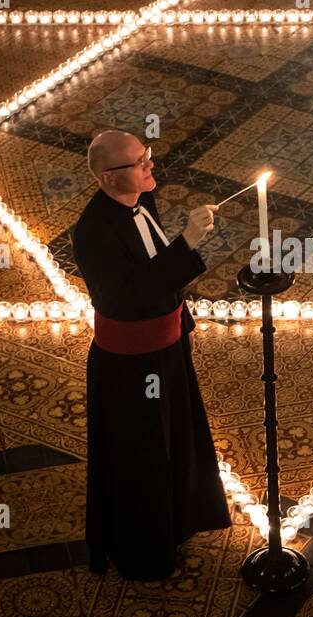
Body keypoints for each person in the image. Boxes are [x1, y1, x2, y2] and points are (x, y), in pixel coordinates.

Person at [71, 129, 231, 581]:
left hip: (167, 346)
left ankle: (181, 519)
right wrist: (188, 244)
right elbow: (128, 296)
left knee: (176, 438)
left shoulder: (142, 201)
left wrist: (180, 324)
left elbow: (156, 270)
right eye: (140, 163)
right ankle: (146, 553)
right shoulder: (93, 233)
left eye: (148, 156)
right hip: (131, 365)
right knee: (141, 457)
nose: (150, 166)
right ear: (108, 178)